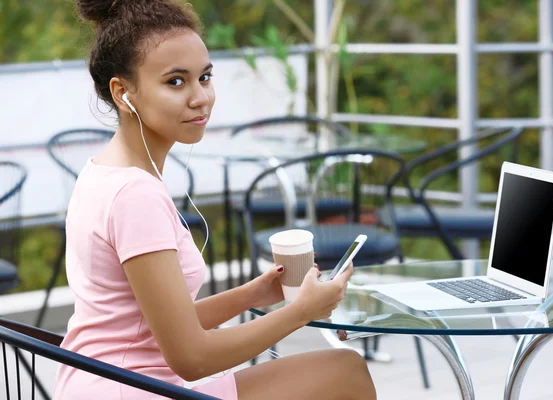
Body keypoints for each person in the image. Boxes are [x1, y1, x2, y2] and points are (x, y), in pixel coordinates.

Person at [53, 1, 377, 399]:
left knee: (340, 371)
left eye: (204, 77)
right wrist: (301, 312)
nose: (200, 97)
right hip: (129, 389)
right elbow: (192, 357)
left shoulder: (104, 172)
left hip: (99, 382)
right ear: (123, 92)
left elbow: (145, 325)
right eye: (176, 82)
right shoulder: (134, 195)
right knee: (344, 372)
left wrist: (252, 295)